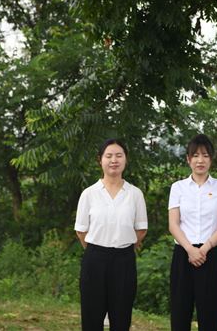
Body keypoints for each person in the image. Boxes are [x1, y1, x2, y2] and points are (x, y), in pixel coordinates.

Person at [74, 139, 148, 331]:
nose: (113, 160)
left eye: (118, 155)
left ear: (126, 159)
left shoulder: (135, 194)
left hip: (124, 260)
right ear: (100, 160)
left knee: (121, 317)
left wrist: (123, 246)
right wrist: (98, 249)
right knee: (92, 317)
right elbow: (81, 230)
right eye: (108, 156)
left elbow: (141, 229)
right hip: (94, 259)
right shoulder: (89, 194)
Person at [168, 134, 217, 331]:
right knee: (180, 312)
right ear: (188, 159)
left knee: (209, 313)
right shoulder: (178, 188)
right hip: (183, 255)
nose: (200, 160)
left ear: (211, 159)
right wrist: (190, 249)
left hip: (211, 255)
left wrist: (205, 248)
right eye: (195, 155)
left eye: (205, 155)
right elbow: (173, 224)